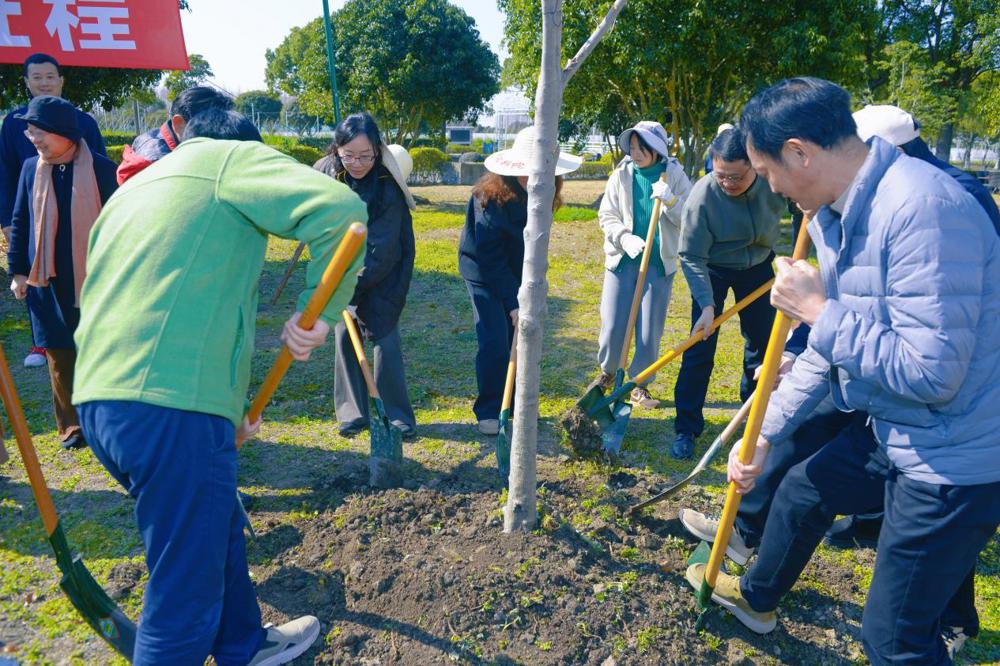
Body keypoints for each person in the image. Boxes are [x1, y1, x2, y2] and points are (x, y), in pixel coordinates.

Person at [684, 77, 1000, 666]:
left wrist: (817, 310)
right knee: (805, 488)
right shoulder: (840, 213)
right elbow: (828, 349)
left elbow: (933, 374)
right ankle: (757, 600)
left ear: (800, 152)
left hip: (953, 455)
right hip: (896, 427)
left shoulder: (923, 209)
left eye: (767, 170)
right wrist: (767, 433)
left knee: (894, 643)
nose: (770, 188)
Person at [72, 109, 368, 665]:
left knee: (216, 520)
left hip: (102, 401)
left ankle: (242, 644)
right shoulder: (226, 156)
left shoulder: (138, 189)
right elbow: (342, 209)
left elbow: (170, 304)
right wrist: (318, 314)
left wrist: (227, 411)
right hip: (166, 405)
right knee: (184, 593)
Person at [6, 96, 117, 450]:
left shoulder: (101, 168)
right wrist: (18, 272)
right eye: (30, 131)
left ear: (63, 132)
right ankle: (71, 425)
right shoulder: (30, 168)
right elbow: (21, 220)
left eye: (38, 131)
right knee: (58, 353)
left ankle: (105, 420)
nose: (32, 137)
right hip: (45, 277)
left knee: (97, 349)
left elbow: (118, 225)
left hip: (94, 277)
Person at [671, 127, 787, 459]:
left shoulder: (772, 181)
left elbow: (801, 206)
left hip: (759, 266)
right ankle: (686, 427)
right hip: (714, 267)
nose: (727, 183)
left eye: (735, 177)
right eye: (720, 175)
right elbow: (691, 255)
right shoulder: (703, 196)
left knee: (761, 346)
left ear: (754, 166)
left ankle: (753, 418)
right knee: (700, 346)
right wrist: (706, 305)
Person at [458, 126, 581, 435]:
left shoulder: (545, 193)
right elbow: (491, 258)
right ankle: (489, 408)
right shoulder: (488, 199)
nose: (532, 178)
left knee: (523, 338)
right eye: (526, 171)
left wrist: (529, 289)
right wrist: (513, 303)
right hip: (483, 273)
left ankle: (515, 405)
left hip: (520, 272)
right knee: (494, 340)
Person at [314, 112, 418, 440]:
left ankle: (398, 416)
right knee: (345, 333)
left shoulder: (387, 189)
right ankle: (353, 413)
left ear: (377, 150)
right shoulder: (331, 175)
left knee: (384, 333)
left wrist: (353, 289)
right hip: (342, 265)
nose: (357, 163)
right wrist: (338, 281)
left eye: (365, 155)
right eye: (349, 155)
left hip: (385, 268)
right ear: (337, 150)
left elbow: (383, 248)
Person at [0, 53, 107, 369]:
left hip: (82, 228)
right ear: (27, 82)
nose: (44, 82)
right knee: (40, 282)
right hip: (38, 219)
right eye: (36, 77)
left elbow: (103, 178)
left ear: (61, 80)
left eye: (50, 76)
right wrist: (8, 220)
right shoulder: (17, 129)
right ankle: (43, 343)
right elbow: (6, 173)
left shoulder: (84, 122)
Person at [592, 121, 692, 407]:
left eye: (641, 148)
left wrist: (671, 200)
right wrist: (624, 238)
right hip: (623, 260)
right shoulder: (621, 175)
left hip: (658, 264)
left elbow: (691, 218)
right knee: (613, 326)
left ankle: (638, 384)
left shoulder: (674, 175)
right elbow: (607, 215)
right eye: (632, 148)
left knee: (649, 331)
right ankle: (608, 374)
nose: (635, 153)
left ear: (657, 149)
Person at [116, 85, 234, 184]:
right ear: (178, 123)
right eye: (211, 129)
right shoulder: (158, 165)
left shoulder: (160, 139)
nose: (217, 137)